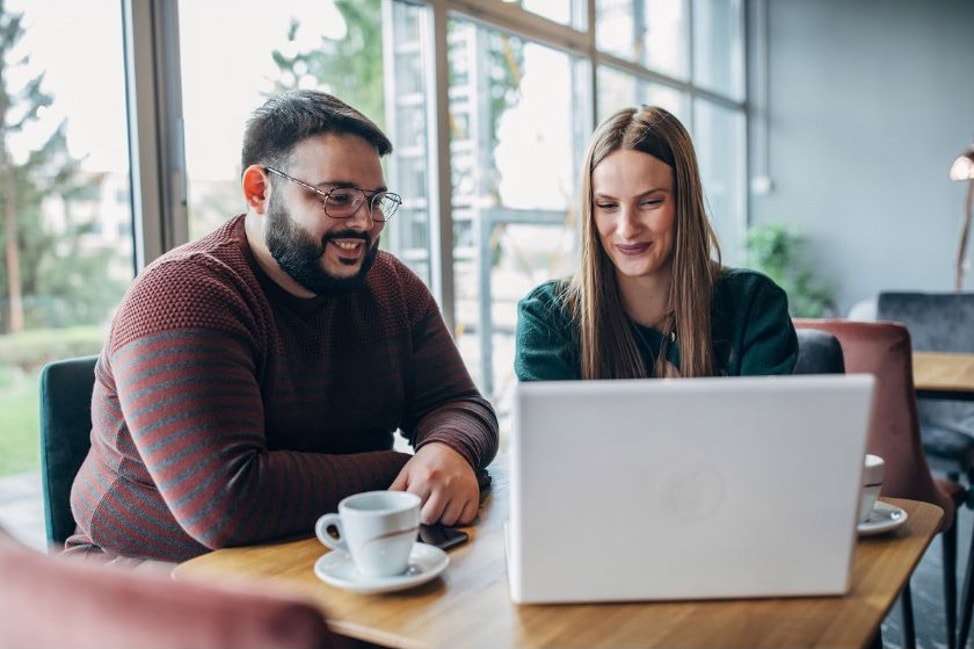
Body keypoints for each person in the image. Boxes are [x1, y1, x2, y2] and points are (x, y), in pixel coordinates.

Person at [65, 90, 498, 564]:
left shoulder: (391, 285)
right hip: (151, 573)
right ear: (259, 192)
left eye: (375, 201)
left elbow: (458, 402)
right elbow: (227, 504)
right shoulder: (181, 295)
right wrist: (411, 471)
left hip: (326, 547)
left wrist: (447, 448)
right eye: (338, 198)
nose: (364, 222)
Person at [515, 105, 797, 381]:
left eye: (650, 202)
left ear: (684, 204)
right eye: (608, 205)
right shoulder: (547, 318)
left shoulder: (754, 306)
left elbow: (765, 428)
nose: (627, 229)